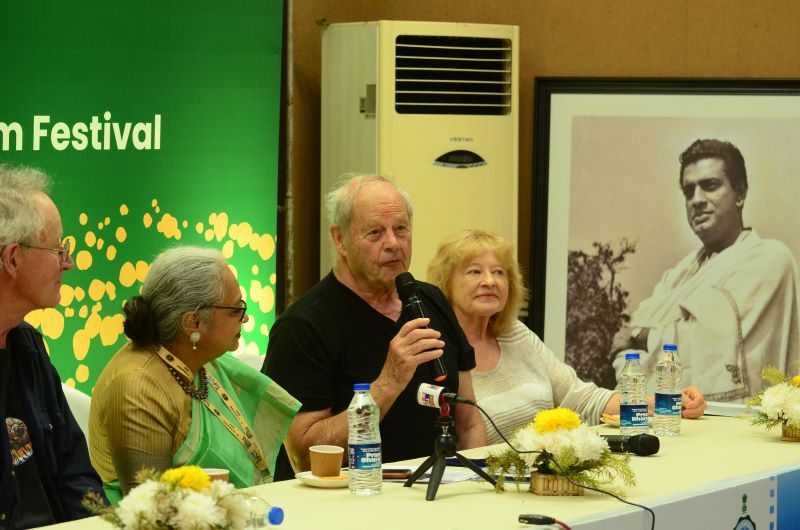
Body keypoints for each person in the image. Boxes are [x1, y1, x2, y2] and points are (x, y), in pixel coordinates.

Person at [263, 174, 487, 475]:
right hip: (354, 494)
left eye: (401, 229)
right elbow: (305, 456)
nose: (393, 243)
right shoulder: (302, 326)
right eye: (375, 233)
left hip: (440, 489)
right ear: (339, 239)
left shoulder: (430, 300)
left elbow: (469, 422)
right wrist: (387, 383)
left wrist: (474, 482)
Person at [427, 229, 707, 443]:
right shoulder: (433, 349)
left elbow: (582, 399)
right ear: (446, 283)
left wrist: (668, 402)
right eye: (474, 271)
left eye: (499, 272)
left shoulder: (516, 335)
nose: (489, 281)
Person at [88, 246, 300, 500]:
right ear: (193, 323)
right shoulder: (136, 386)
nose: (245, 319)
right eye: (236, 309)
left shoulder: (199, 362)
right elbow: (152, 506)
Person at [611, 139, 800, 402]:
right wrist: (643, 339)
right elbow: (627, 354)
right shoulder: (675, 277)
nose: (697, 200)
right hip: (666, 419)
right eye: (689, 191)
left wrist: (638, 338)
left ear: (740, 193)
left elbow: (718, 342)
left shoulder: (769, 259)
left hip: (739, 421)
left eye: (710, 186)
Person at [0, 163, 106, 528]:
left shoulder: (28, 346)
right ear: (13, 258)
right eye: (58, 249)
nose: (69, 263)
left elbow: (77, 475)